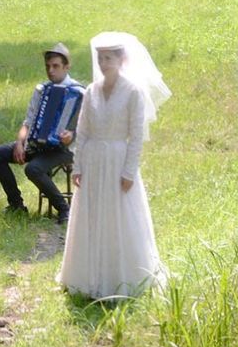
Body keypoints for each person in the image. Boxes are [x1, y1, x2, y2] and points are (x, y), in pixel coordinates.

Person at [57, 32, 171, 301]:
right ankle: (87, 275)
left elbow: (135, 137)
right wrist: (78, 165)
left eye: (109, 58)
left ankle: (121, 276)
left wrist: (129, 171)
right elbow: (82, 132)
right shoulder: (91, 91)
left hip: (118, 159)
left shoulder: (132, 92)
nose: (104, 63)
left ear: (122, 60)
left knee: (119, 217)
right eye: (100, 58)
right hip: (94, 160)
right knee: (92, 214)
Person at [0, 43, 83, 222]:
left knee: (33, 169)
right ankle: (16, 205)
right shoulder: (42, 90)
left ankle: (64, 210)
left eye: (55, 66)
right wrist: (19, 143)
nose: (51, 71)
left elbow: (87, 128)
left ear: (66, 66)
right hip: (36, 145)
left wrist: (71, 135)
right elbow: (28, 121)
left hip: (64, 150)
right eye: (48, 66)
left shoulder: (79, 93)